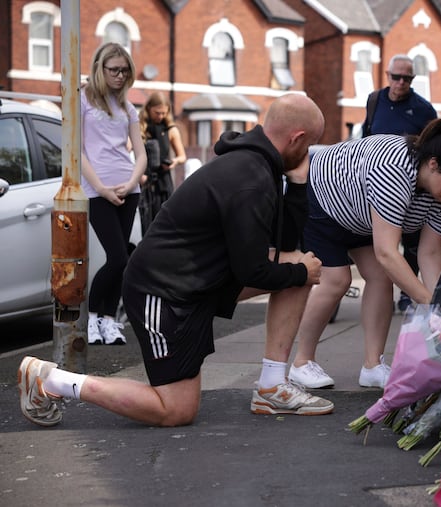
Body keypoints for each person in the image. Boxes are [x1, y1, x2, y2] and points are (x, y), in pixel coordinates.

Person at [18, 93, 331, 428]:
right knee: (176, 410)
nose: (307, 155)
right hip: (162, 293)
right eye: (309, 146)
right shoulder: (250, 178)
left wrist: (298, 185)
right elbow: (252, 270)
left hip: (198, 282)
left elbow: (281, 246)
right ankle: (50, 380)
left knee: (300, 265)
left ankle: (271, 386)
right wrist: (297, 270)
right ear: (296, 138)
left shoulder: (259, 167)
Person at [288, 118, 441, 390]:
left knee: (381, 278)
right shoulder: (394, 171)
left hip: (362, 214)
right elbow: (386, 252)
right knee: (337, 280)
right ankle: (301, 363)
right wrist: (428, 303)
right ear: (434, 164)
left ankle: (372, 366)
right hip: (322, 197)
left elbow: (429, 253)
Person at [81, 42, 147, 346]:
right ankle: (92, 318)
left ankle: (109, 321)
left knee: (123, 260)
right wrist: (102, 189)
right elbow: (78, 153)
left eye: (125, 71)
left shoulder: (128, 107)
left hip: (127, 188)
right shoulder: (81, 100)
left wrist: (132, 180)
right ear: (99, 68)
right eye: (114, 70)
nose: (120, 76)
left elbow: (141, 155)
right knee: (117, 256)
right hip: (98, 191)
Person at [361, 54, 438, 315]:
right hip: (377, 185)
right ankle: (382, 289)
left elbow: (433, 149)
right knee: (381, 243)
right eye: (396, 77)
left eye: (407, 78)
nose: (401, 83)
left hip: (411, 187)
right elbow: (365, 138)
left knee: (413, 244)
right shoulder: (374, 101)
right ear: (387, 75)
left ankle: (407, 294)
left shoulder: (423, 109)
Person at [138, 92, 187, 234]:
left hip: (164, 182)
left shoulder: (171, 130)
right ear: (148, 109)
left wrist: (173, 162)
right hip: (144, 182)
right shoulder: (140, 128)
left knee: (166, 223)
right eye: (157, 112)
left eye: (163, 113)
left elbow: (182, 156)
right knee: (146, 226)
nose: (160, 116)